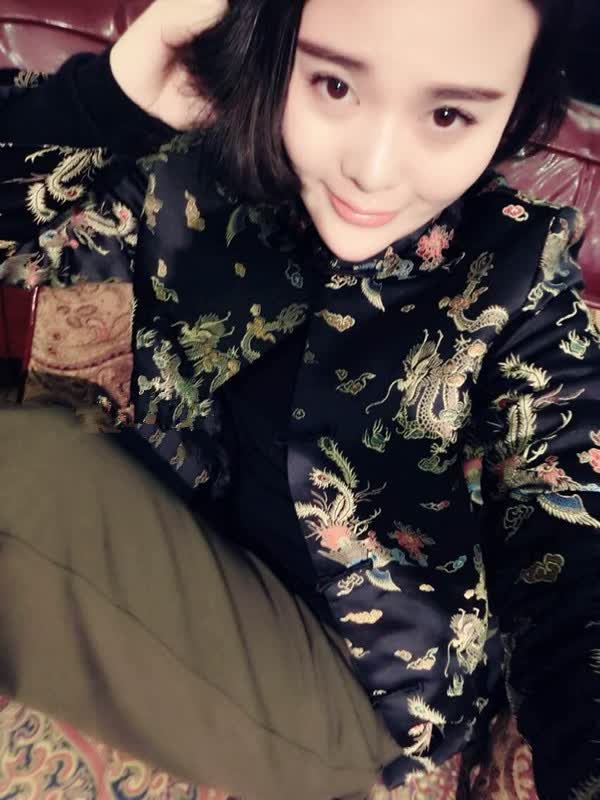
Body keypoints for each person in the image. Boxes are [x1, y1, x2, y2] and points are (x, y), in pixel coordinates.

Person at [0, 1, 598, 799]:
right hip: (177, 525)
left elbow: (573, 552)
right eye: (335, 86)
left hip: (350, 688)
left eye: (448, 114)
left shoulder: (520, 275)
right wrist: (112, 97)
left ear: (514, 107)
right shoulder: (201, 162)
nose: (374, 170)